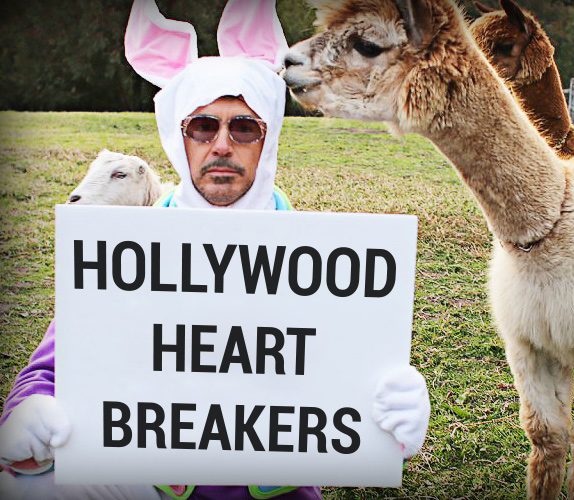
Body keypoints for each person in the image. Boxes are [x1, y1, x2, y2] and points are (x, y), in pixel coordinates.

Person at [0, 1, 431, 499]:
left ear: (266, 140)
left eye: (243, 127)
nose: (222, 144)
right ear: (178, 137)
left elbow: (353, 383)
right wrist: (29, 409)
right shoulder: (126, 247)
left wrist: (393, 416)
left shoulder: (320, 261)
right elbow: (53, 364)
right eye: (203, 126)